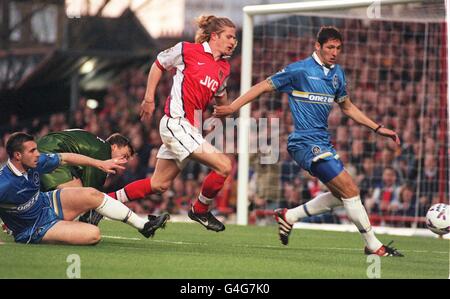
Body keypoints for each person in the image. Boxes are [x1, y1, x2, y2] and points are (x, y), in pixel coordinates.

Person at [214, 26, 403, 256]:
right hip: (303, 143)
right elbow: (263, 86)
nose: (334, 52)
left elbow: (347, 106)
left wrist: (377, 128)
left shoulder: (337, 74)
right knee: (351, 190)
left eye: (338, 48)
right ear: (318, 46)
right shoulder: (299, 70)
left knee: (341, 196)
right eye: (330, 47)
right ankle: (374, 246)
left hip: (323, 142)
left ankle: (289, 216)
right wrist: (233, 107)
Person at [137, 15, 237, 232]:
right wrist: (149, 98)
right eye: (229, 36)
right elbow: (158, 64)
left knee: (159, 184)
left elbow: (221, 98)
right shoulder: (187, 50)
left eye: (235, 38)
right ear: (215, 36)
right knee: (224, 166)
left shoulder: (224, 69)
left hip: (189, 129)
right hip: (176, 123)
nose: (233, 41)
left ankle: (101, 201)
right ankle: (200, 209)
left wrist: (225, 110)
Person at [0, 132, 169, 245]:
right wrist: (10, 223)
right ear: (17, 156)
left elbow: (66, 157)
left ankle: (143, 226)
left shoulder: (36, 161)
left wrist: (99, 164)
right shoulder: (4, 183)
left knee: (91, 194)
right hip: (34, 227)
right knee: (93, 235)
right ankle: (68, 224)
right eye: (32, 150)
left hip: (46, 202)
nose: (38, 154)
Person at [37, 129, 144, 225]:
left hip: (46, 147)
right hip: (51, 151)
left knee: (76, 198)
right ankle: (48, 226)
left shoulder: (97, 145)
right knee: (80, 199)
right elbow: (90, 193)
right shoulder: (103, 152)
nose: (125, 161)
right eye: (124, 156)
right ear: (114, 147)